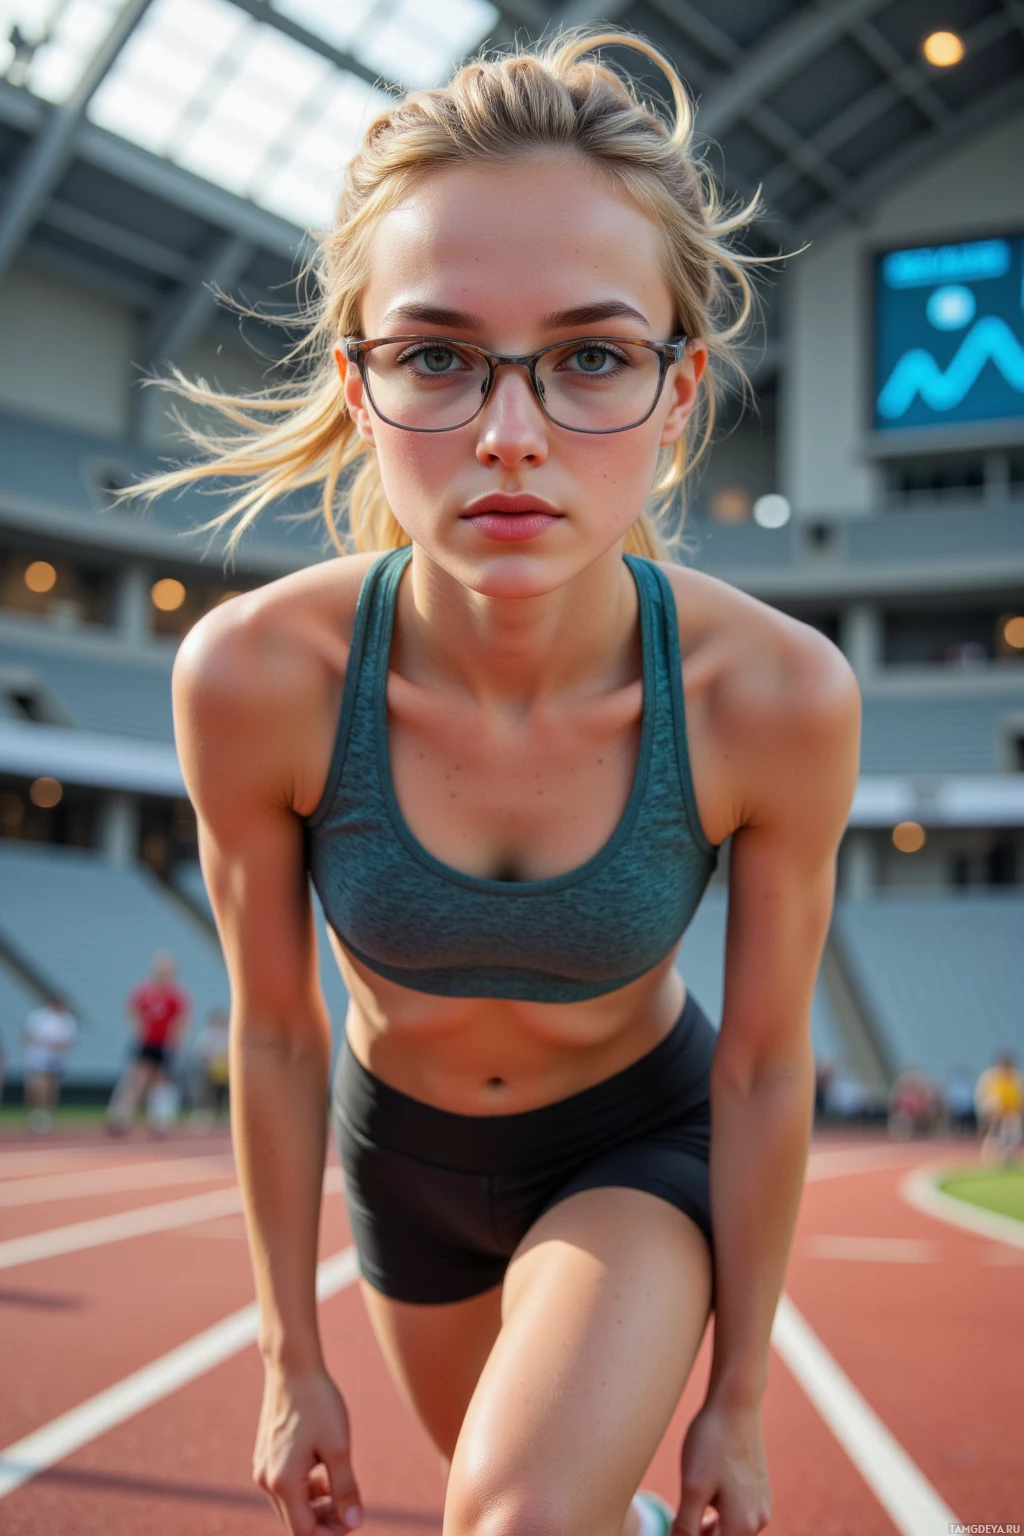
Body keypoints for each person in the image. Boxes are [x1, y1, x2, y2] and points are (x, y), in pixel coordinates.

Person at [135, 29, 861, 1536]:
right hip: (400, 1167)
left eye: (592, 355)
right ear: (357, 378)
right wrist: (289, 1354)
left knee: (514, 1523)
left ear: (678, 390)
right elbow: (276, 1035)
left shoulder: (772, 697)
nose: (509, 437)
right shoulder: (255, 681)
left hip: (637, 1146)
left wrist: (738, 1396)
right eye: (439, 357)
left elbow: (768, 1067)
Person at [106, 952, 191, 1134]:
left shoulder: (176, 995)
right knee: (136, 1080)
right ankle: (121, 1117)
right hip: (145, 1042)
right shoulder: (144, 990)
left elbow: (182, 1020)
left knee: (160, 1082)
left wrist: (176, 1042)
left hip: (164, 1044)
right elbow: (132, 1010)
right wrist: (138, 1028)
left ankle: (160, 1121)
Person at [21, 993, 77, 1133]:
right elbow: (28, 1036)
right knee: (38, 1087)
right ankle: (37, 1114)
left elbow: (69, 1042)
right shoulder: (39, 1017)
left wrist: (58, 1047)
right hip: (39, 1058)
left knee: (52, 1088)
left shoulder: (67, 1020)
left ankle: (47, 1114)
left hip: (56, 1059)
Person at [974, 1051, 1023, 1167]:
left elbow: (1020, 1095)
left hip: (1012, 1112)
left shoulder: (1016, 1077)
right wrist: (987, 1110)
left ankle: (1008, 1158)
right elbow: (981, 1094)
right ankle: (989, 1159)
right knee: (993, 1136)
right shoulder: (990, 1076)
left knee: (1013, 1136)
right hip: (995, 1113)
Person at [189, 1005, 231, 1128]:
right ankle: (206, 1114)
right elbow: (201, 1053)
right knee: (208, 1093)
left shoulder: (229, 1034)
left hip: (226, 1072)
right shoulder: (207, 1035)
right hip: (210, 1071)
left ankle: (224, 1116)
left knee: (225, 1095)